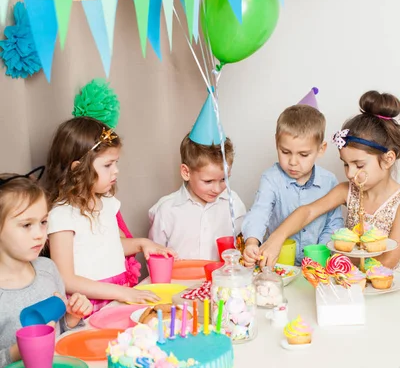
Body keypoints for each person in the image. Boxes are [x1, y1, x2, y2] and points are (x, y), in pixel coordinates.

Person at [46, 117, 176, 312]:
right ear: (77, 169)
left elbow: (111, 245)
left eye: (116, 163)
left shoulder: (106, 202)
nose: (116, 171)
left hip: (120, 292)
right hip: (89, 305)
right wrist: (120, 293)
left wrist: (142, 243)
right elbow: (66, 279)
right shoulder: (61, 216)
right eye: (108, 165)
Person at [257, 91, 400, 269]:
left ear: (388, 159)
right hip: (349, 283)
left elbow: (388, 261)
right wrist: (277, 238)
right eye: (346, 164)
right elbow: (307, 212)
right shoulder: (346, 191)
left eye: (359, 165)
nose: (349, 173)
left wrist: (338, 259)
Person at [0, 171, 92, 368]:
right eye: (26, 225)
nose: (39, 234)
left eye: (43, 222)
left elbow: (59, 330)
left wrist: (72, 317)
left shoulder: (47, 269)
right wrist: (18, 351)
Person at [149, 91, 246, 261]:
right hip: (179, 286)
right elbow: (154, 258)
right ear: (186, 172)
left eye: (224, 179)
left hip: (222, 285)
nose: (217, 188)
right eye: (208, 181)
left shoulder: (234, 203)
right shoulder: (166, 210)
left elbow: (242, 245)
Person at [243, 104, 344, 267]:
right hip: (280, 265)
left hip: (318, 266)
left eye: (303, 154)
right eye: (285, 152)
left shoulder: (329, 181)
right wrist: (251, 243)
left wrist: (321, 253)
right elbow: (259, 213)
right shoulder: (271, 179)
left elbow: (334, 224)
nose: (293, 162)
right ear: (276, 141)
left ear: (321, 149)